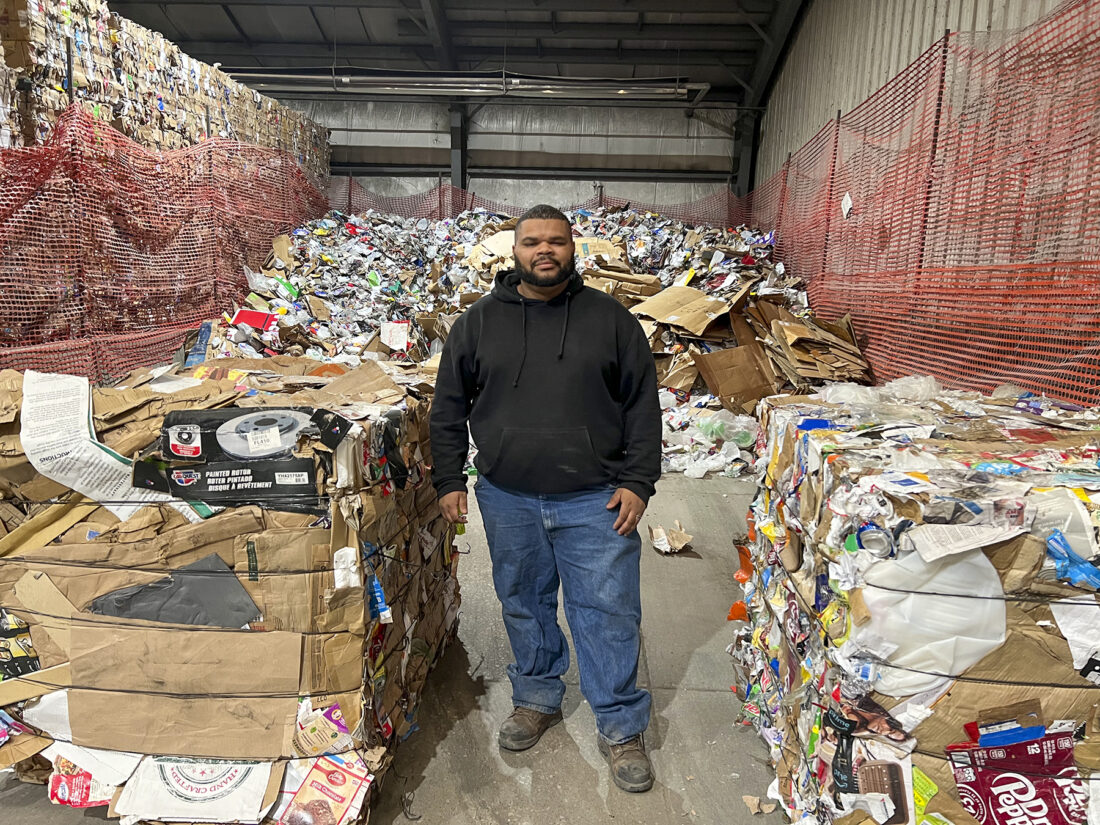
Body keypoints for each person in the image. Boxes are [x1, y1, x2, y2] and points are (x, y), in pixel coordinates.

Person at [430, 204, 662, 793]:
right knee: (523, 602)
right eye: (532, 241)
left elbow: (642, 407)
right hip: (507, 496)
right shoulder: (477, 323)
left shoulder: (611, 321)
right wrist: (448, 479)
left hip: (596, 499)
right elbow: (448, 407)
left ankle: (620, 726)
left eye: (556, 241)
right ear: (514, 250)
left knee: (608, 612)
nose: (544, 251)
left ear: (572, 248)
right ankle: (536, 698)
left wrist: (638, 482)